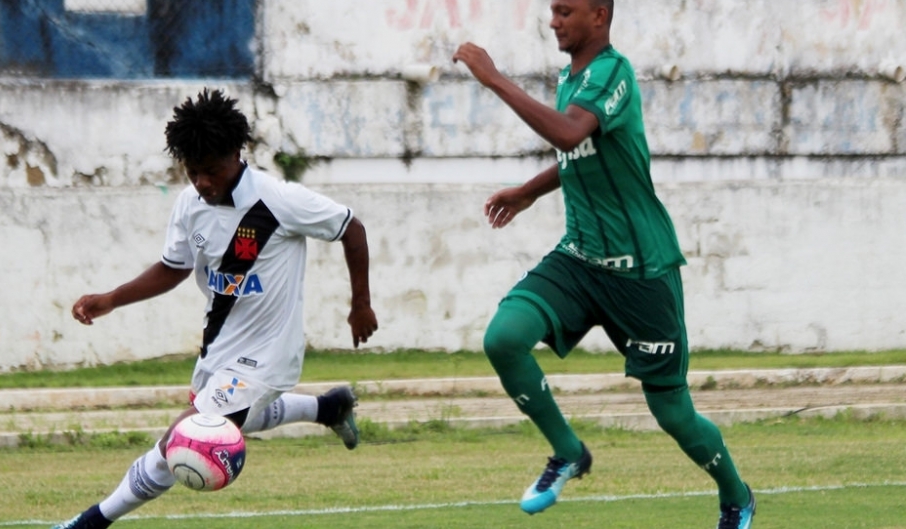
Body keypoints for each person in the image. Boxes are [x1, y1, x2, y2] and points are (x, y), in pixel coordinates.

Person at [452, 1, 755, 527]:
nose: (554, 21)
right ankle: (568, 452)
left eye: (565, 11)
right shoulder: (570, 78)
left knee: (674, 415)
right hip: (581, 259)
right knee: (503, 338)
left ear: (598, 14)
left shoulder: (614, 71)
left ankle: (736, 494)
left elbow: (570, 134)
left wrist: (494, 78)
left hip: (642, 272)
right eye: (552, 11)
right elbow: (580, 152)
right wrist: (528, 192)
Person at [53, 88, 378, 529]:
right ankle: (328, 408)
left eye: (212, 171)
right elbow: (174, 268)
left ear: (236, 154)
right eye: (192, 172)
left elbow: (350, 228)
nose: (202, 182)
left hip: (268, 356)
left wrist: (360, 304)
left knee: (182, 439)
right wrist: (111, 299)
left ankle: (89, 523)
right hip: (220, 349)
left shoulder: (278, 200)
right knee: (240, 417)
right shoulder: (191, 204)